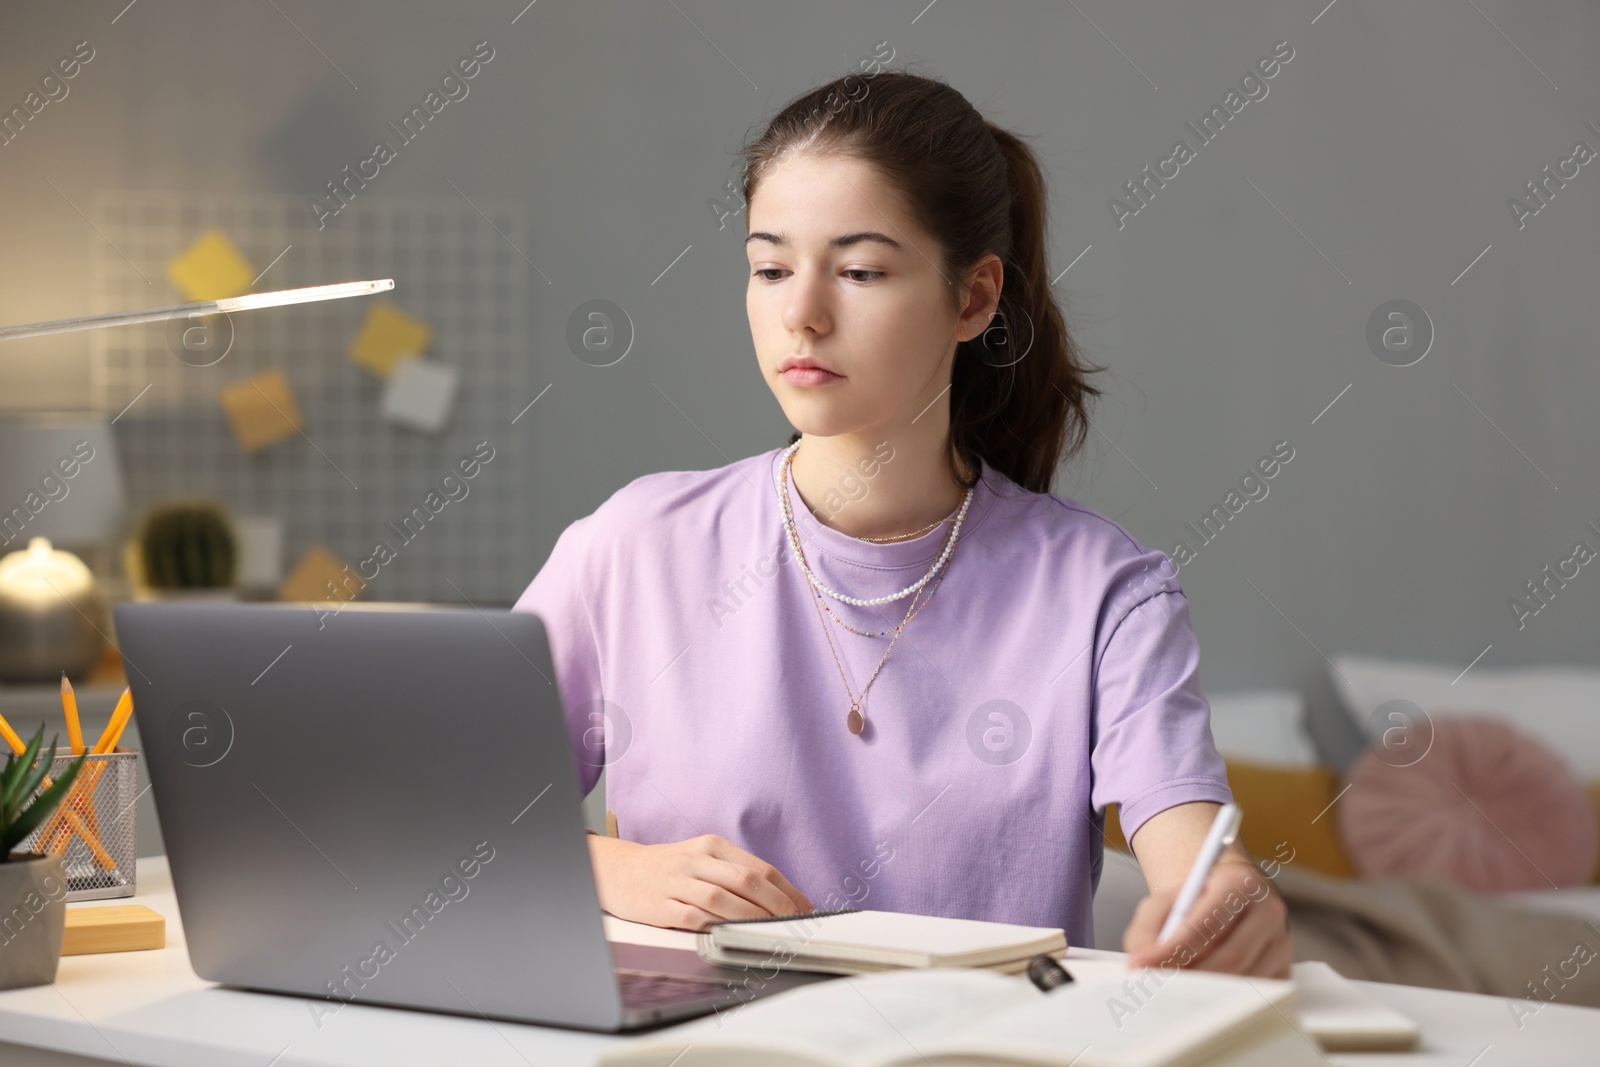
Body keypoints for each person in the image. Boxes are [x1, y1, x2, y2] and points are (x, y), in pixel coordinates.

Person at [513, 69, 1290, 978]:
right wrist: (613, 867)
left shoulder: (1104, 594)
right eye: (770, 268)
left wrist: (1227, 903)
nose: (801, 314)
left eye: (859, 271)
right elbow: (436, 822)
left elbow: (1198, 861)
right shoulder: (634, 546)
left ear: (974, 299)